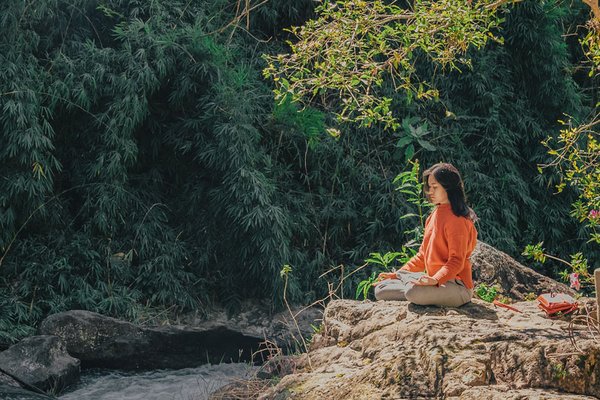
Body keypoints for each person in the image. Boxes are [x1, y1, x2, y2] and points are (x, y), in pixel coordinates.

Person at [373, 163, 478, 307]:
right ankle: (413, 287)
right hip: (432, 282)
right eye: (429, 187)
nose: (430, 192)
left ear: (449, 188)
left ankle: (416, 289)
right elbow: (422, 256)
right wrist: (398, 274)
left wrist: (435, 279)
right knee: (381, 289)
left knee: (413, 292)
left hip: (457, 287)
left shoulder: (457, 220)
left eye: (435, 187)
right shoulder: (433, 215)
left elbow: (456, 261)